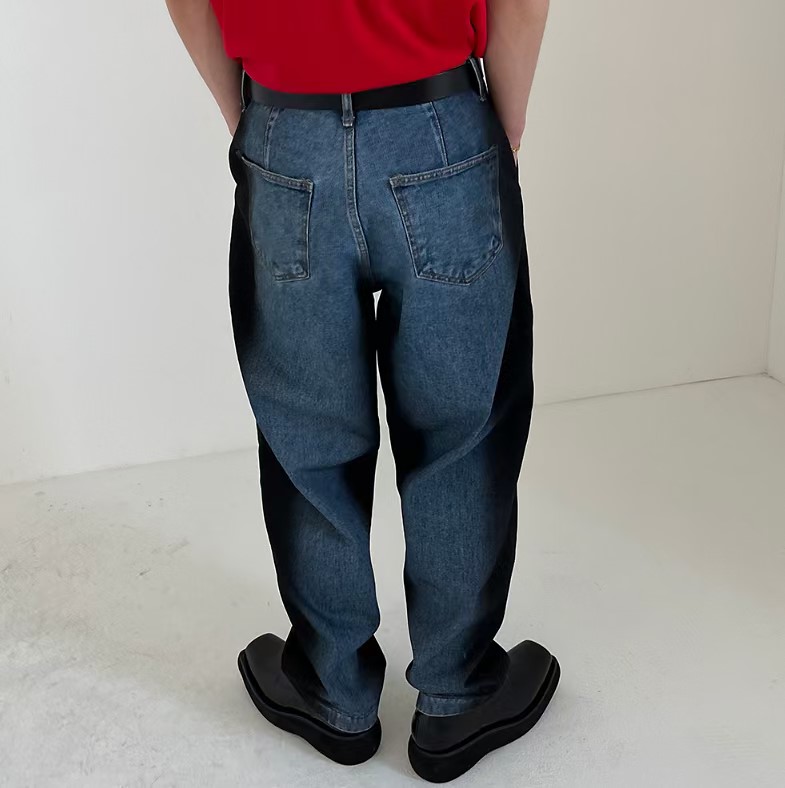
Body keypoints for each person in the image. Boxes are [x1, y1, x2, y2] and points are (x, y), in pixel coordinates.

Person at [165, 0, 555, 781]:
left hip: (286, 131)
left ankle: (331, 687)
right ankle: (456, 691)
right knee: (461, 427)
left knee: (307, 432)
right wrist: (503, 121)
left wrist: (255, 118)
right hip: (438, 118)